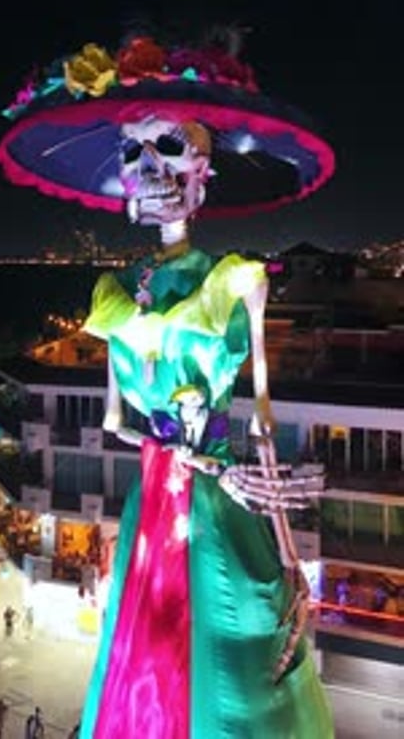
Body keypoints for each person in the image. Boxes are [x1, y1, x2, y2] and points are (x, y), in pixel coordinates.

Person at [78, 114, 333, 737]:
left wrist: (291, 552)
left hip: (216, 496)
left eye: (170, 148)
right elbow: (115, 422)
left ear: (202, 173)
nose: (151, 169)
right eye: (133, 152)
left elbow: (263, 420)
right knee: (144, 639)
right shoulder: (116, 293)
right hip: (163, 493)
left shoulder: (235, 280)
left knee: (233, 634)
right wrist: (176, 452)